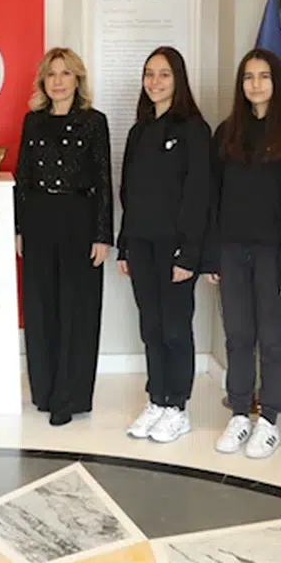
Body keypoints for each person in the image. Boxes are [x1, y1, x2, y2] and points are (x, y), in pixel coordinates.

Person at [204, 48, 281, 459]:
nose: (255, 84)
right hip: (231, 250)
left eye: (263, 76)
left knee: (272, 338)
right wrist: (212, 256)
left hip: (274, 254)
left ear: (276, 82)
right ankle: (239, 412)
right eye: (248, 77)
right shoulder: (226, 133)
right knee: (237, 335)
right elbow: (213, 199)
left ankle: (269, 417)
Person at [117, 45, 213, 444]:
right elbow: (129, 192)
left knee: (175, 328)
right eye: (149, 74)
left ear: (178, 80)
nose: (154, 82)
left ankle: (177, 406)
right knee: (151, 327)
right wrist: (124, 245)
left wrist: (189, 253)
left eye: (164, 74)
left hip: (176, 249)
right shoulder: (139, 131)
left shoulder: (193, 129)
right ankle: (156, 398)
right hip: (140, 245)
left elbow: (199, 194)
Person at [14, 47, 112, 427]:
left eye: (65, 73)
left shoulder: (94, 122)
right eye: (52, 74)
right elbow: (23, 178)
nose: (58, 81)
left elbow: (103, 180)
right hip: (39, 220)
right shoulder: (33, 121)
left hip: (79, 219)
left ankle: (69, 397)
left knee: (77, 308)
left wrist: (102, 234)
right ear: (43, 80)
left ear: (77, 79)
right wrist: (19, 228)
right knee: (41, 308)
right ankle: (45, 390)